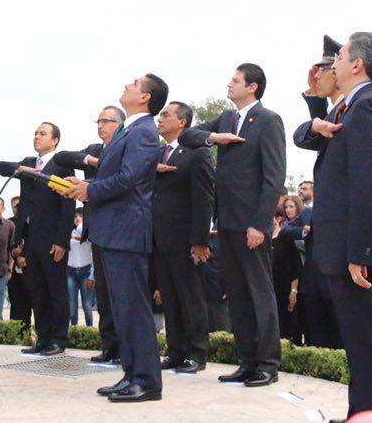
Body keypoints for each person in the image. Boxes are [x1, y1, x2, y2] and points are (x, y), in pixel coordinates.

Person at [297, 32, 372, 419]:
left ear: (357, 64)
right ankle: (362, 414)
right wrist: (316, 102)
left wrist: (360, 253)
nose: (332, 63)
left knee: (370, 344)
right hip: (348, 248)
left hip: (360, 250)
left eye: (339, 56)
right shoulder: (350, 107)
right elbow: (312, 140)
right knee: (358, 344)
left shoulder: (370, 106)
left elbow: (371, 189)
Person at [179, 63, 286, 388]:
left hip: (251, 224)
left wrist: (260, 223)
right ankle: (247, 361)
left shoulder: (267, 120)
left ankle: (267, 364)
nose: (229, 84)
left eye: (236, 80)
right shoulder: (227, 119)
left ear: (252, 86)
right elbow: (188, 134)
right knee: (237, 295)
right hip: (225, 221)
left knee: (259, 294)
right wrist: (214, 136)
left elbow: (274, 175)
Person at [62, 74, 166, 403]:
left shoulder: (146, 131)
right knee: (122, 308)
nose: (127, 85)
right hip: (112, 230)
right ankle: (132, 374)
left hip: (127, 230)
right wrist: (81, 187)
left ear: (145, 97)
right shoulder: (128, 130)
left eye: (135, 83)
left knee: (134, 308)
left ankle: (147, 381)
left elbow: (130, 178)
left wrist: (90, 190)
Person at [0, 122, 76, 356]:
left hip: (52, 240)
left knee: (56, 291)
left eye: (43, 134)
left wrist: (62, 241)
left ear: (55, 140)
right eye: (35, 133)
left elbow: (68, 205)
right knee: (37, 290)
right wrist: (21, 170)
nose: (37, 137)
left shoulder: (61, 163)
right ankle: (43, 338)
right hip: (29, 240)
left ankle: (58, 340)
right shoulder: (29, 164)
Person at [53, 104, 126, 364]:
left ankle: (123, 349)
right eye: (99, 120)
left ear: (120, 125)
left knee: (119, 294)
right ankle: (109, 347)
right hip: (96, 230)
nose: (101, 125)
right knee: (103, 296)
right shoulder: (96, 150)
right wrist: (91, 161)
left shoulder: (125, 148)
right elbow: (63, 157)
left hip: (119, 230)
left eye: (107, 121)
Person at [150, 100, 213, 373]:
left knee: (190, 298)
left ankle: (197, 354)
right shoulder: (158, 154)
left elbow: (204, 199)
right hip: (159, 238)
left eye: (166, 115)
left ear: (182, 122)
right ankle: (175, 351)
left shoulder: (196, 153)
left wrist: (199, 240)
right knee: (170, 297)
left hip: (185, 239)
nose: (160, 119)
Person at [293, 36, 342, 350]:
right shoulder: (335, 112)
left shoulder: (359, 108)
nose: (316, 75)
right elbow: (303, 137)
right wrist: (315, 104)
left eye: (324, 69)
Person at [272, 195, 305, 343]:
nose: (289, 210)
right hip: (272, 287)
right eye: (286, 207)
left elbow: (295, 267)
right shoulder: (264, 240)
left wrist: (294, 290)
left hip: (288, 286)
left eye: (292, 206)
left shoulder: (287, 237)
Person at [6, 195, 32, 331]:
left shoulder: (32, 222)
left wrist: (25, 255)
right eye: (15, 206)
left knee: (32, 302)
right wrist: (14, 254)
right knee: (16, 303)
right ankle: (16, 333)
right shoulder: (9, 223)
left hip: (31, 269)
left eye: (20, 205)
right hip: (14, 271)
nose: (18, 209)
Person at [66, 210, 93, 327]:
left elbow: (86, 240)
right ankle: (74, 329)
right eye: (75, 216)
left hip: (85, 271)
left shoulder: (88, 232)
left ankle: (89, 328)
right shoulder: (68, 231)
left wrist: (92, 275)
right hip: (71, 271)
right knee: (72, 304)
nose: (77, 218)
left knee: (87, 305)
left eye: (80, 216)